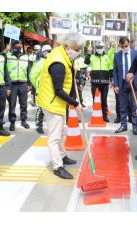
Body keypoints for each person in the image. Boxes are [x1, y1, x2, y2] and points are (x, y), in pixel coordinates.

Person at [37, 32, 84, 179]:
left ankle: (62, 155)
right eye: (76, 49)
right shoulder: (58, 62)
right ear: (67, 46)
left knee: (62, 131)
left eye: (80, 49)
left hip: (58, 102)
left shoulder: (63, 54)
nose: (78, 52)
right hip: (52, 102)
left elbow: (67, 81)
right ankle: (57, 166)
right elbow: (58, 90)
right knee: (55, 136)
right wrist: (75, 103)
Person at [113, 37, 137, 135]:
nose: (125, 48)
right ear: (120, 46)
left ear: (129, 44)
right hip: (122, 84)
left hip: (134, 83)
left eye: (126, 46)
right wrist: (116, 85)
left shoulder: (136, 54)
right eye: (123, 46)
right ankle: (123, 125)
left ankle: (134, 126)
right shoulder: (117, 55)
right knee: (122, 106)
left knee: (134, 105)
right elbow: (115, 71)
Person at [6, 40, 31, 131]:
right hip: (12, 84)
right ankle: (12, 122)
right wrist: (6, 50)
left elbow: (28, 70)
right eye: (16, 47)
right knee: (12, 104)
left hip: (23, 83)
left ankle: (23, 120)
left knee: (23, 103)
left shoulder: (25, 57)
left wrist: (29, 83)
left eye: (19, 47)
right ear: (12, 47)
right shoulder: (8, 56)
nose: (18, 48)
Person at [85, 41, 110, 122]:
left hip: (105, 82)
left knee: (104, 100)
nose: (99, 49)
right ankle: (96, 114)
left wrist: (112, 79)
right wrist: (88, 53)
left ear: (103, 48)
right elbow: (86, 62)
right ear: (96, 48)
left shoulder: (107, 57)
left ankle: (104, 115)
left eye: (101, 47)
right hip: (95, 82)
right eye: (98, 47)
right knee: (95, 100)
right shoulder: (92, 56)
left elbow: (110, 68)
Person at [30, 44, 52, 134]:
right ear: (44, 52)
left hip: (50, 89)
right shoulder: (39, 62)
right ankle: (39, 125)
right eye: (49, 51)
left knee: (51, 108)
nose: (50, 53)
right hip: (42, 89)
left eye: (51, 51)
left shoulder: (51, 61)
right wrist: (38, 86)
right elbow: (32, 76)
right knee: (41, 108)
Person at [108, 42, 120, 123]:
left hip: (126, 81)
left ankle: (130, 117)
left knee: (129, 101)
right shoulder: (113, 55)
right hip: (117, 80)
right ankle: (119, 117)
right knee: (118, 100)